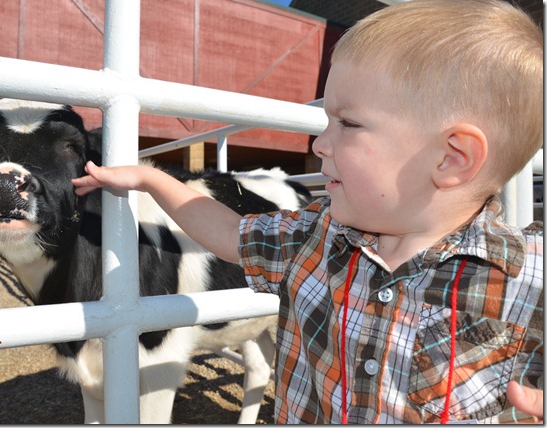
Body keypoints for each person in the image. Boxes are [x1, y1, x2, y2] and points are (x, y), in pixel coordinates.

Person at [72, 0, 543, 423]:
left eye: (348, 123)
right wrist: (153, 179)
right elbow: (229, 232)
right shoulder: (314, 237)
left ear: (452, 158)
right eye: (326, 122)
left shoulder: (531, 282)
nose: (319, 144)